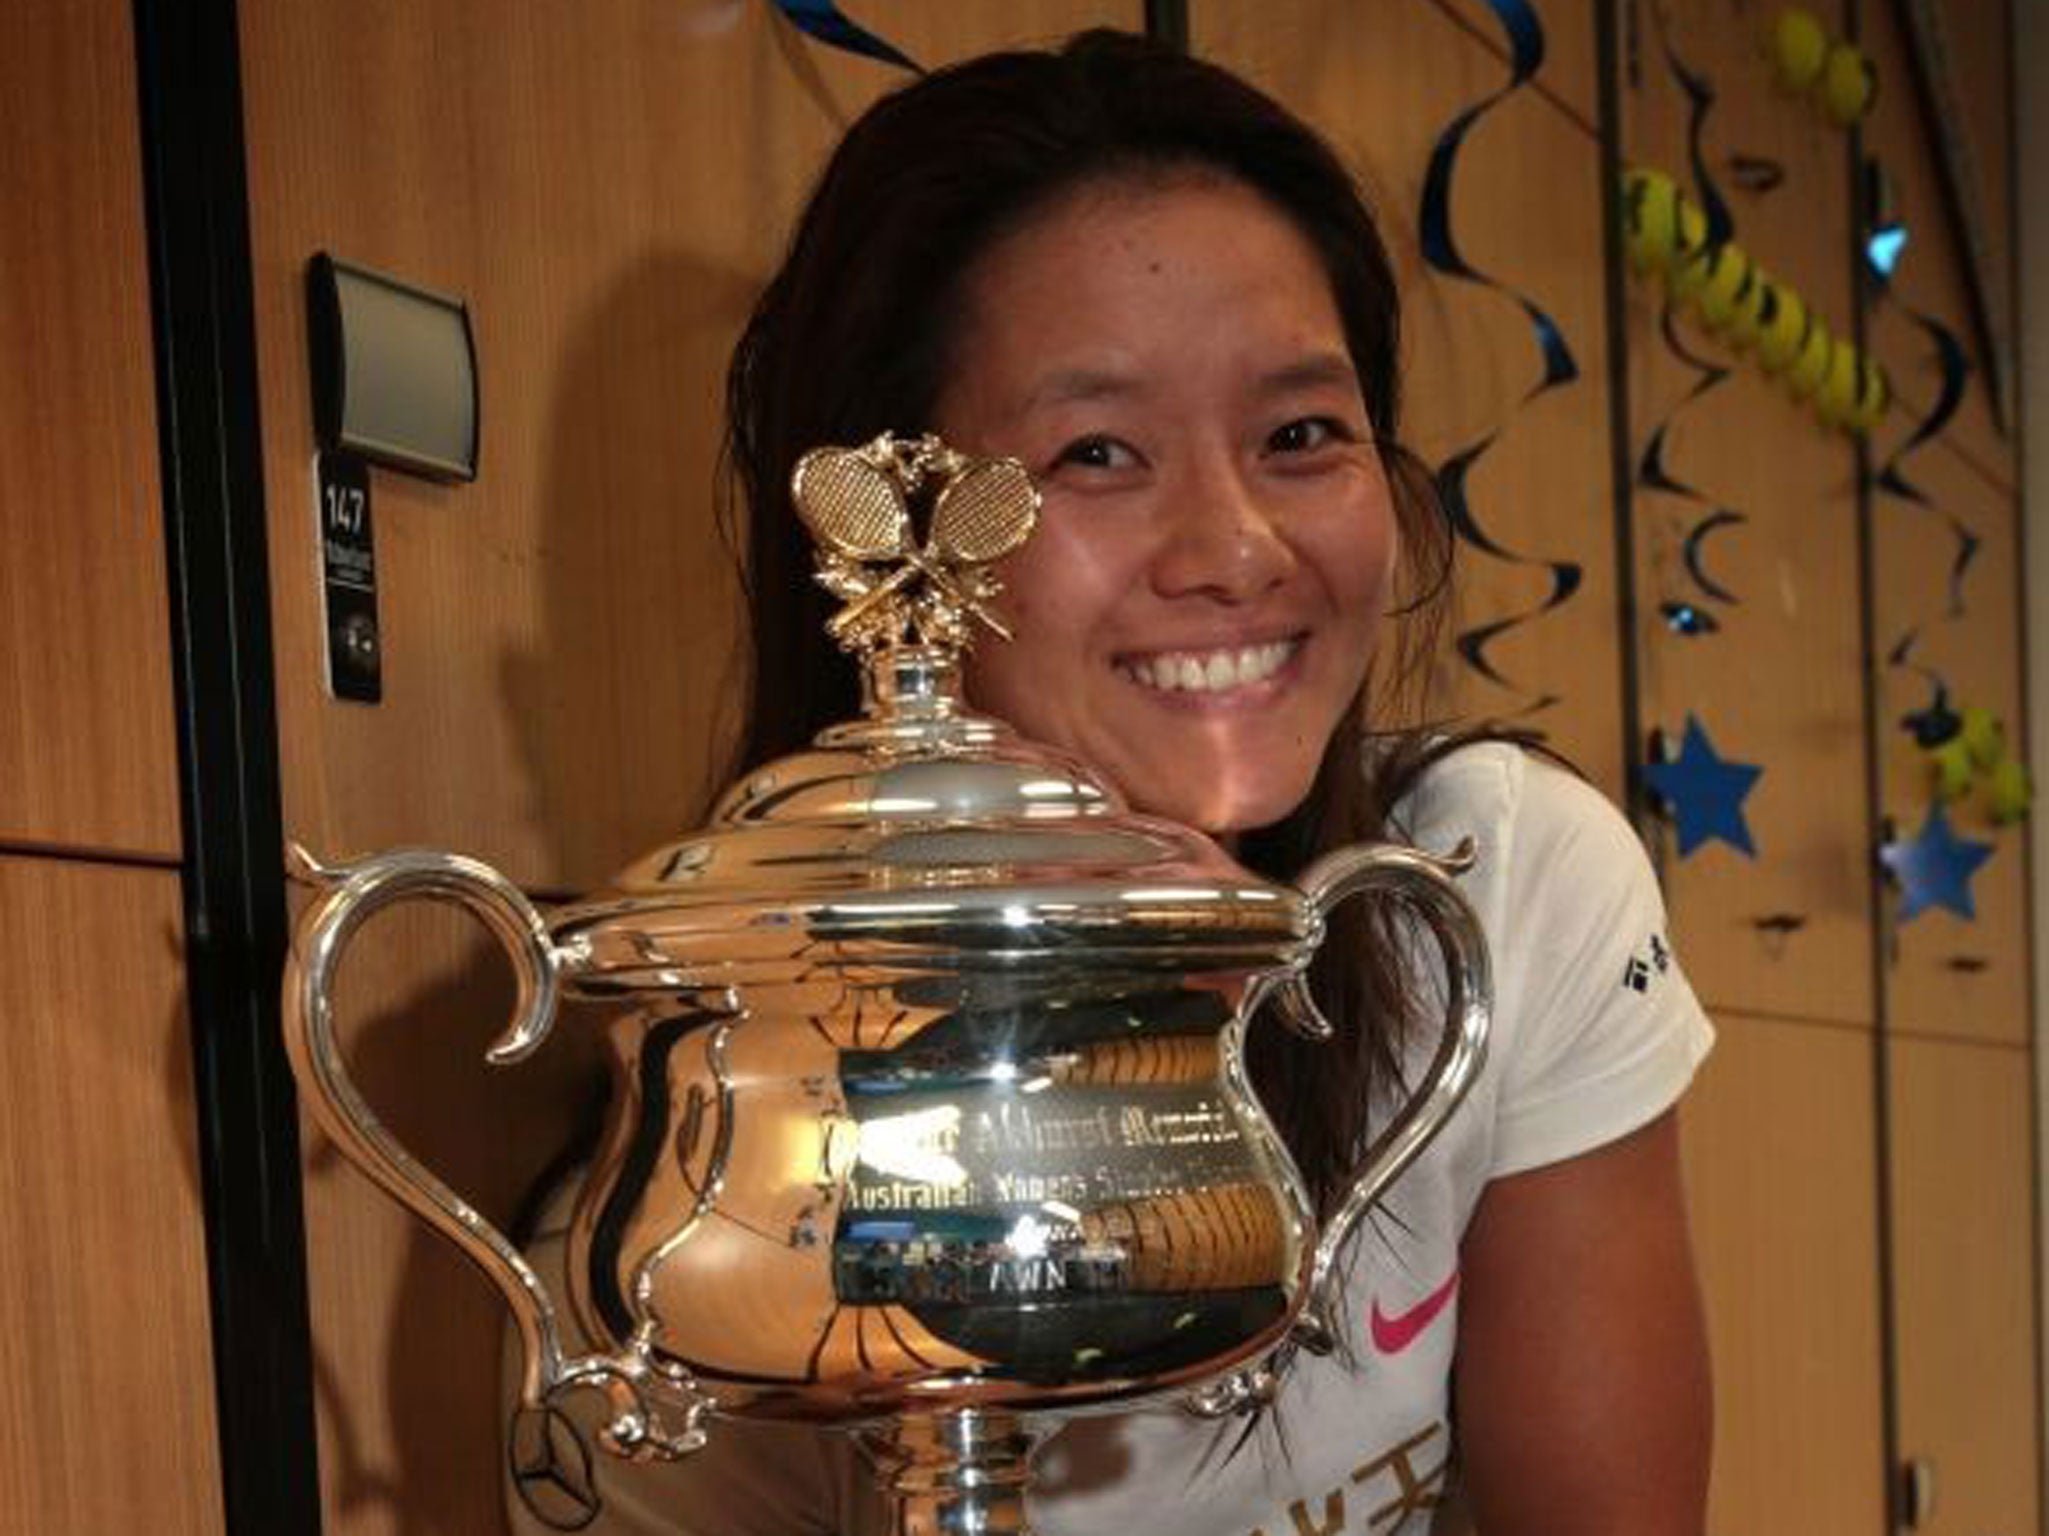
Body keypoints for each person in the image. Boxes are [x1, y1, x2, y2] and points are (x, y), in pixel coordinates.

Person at [508, 28, 1713, 1535]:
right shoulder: (716, 1230)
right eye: (1092, 453)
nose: (1234, 553)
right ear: (884, 541)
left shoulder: (1492, 879)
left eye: (1298, 433)